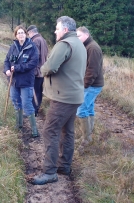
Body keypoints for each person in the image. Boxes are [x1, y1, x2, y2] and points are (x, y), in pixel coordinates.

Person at [30, 16, 86, 185]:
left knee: (50, 131)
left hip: (63, 98)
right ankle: (64, 166)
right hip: (74, 96)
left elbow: (50, 66)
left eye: (57, 28)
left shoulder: (64, 44)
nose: (55, 31)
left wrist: (42, 68)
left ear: (65, 30)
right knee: (67, 131)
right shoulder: (79, 44)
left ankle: (49, 172)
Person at [3, 25, 39, 138]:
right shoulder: (13, 47)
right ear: (16, 35)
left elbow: (33, 63)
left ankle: (34, 130)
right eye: (18, 33)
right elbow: (6, 61)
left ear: (26, 34)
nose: (20, 35)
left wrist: (17, 68)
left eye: (22, 33)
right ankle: (19, 124)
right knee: (15, 101)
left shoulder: (32, 47)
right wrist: (7, 70)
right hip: (14, 81)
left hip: (26, 81)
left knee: (26, 103)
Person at [75, 26, 104, 154]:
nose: (77, 38)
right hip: (92, 85)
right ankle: (88, 137)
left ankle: (86, 139)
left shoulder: (92, 48)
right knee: (89, 108)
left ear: (86, 35)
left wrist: (84, 85)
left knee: (81, 110)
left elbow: (92, 70)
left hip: (92, 85)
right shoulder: (87, 46)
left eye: (79, 36)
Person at [26, 25, 49, 117]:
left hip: (35, 71)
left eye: (28, 34)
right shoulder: (43, 40)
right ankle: (36, 109)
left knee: (34, 92)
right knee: (39, 91)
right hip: (42, 71)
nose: (28, 36)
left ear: (31, 32)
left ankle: (33, 111)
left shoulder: (35, 41)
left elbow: (35, 56)